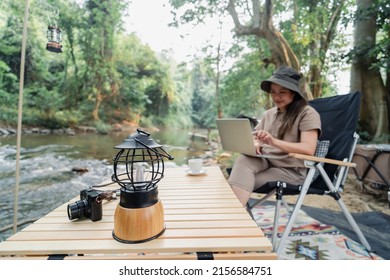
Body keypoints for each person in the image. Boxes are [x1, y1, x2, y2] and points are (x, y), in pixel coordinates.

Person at [228, 66, 321, 207]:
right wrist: (255, 143)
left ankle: (234, 218)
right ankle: (237, 218)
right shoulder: (268, 114)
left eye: (282, 92)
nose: (276, 97)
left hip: (289, 170)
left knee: (238, 184)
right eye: (273, 92)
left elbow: (308, 149)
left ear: (294, 93)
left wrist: (273, 142)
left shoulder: (307, 113)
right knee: (243, 160)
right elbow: (255, 136)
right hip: (266, 161)